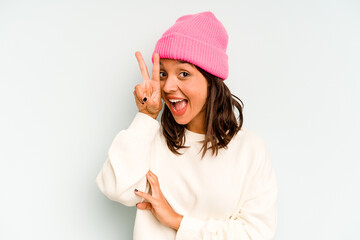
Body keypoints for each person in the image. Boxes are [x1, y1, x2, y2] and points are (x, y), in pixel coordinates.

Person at [96, 11, 278, 240]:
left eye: (183, 74)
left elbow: (255, 235)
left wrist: (176, 221)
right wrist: (146, 116)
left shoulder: (250, 149)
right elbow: (115, 188)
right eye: (163, 73)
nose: (168, 86)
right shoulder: (150, 139)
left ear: (211, 80)